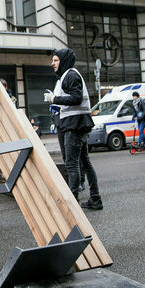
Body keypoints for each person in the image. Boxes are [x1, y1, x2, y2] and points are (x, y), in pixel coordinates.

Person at [44, 48, 102, 210]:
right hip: (76, 124)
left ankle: (72, 205)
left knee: (71, 164)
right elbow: (71, 100)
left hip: (73, 126)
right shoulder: (66, 76)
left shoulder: (70, 74)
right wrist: (56, 107)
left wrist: (54, 98)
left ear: (64, 61)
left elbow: (76, 98)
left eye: (55, 60)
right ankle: (95, 199)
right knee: (84, 162)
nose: (52, 64)